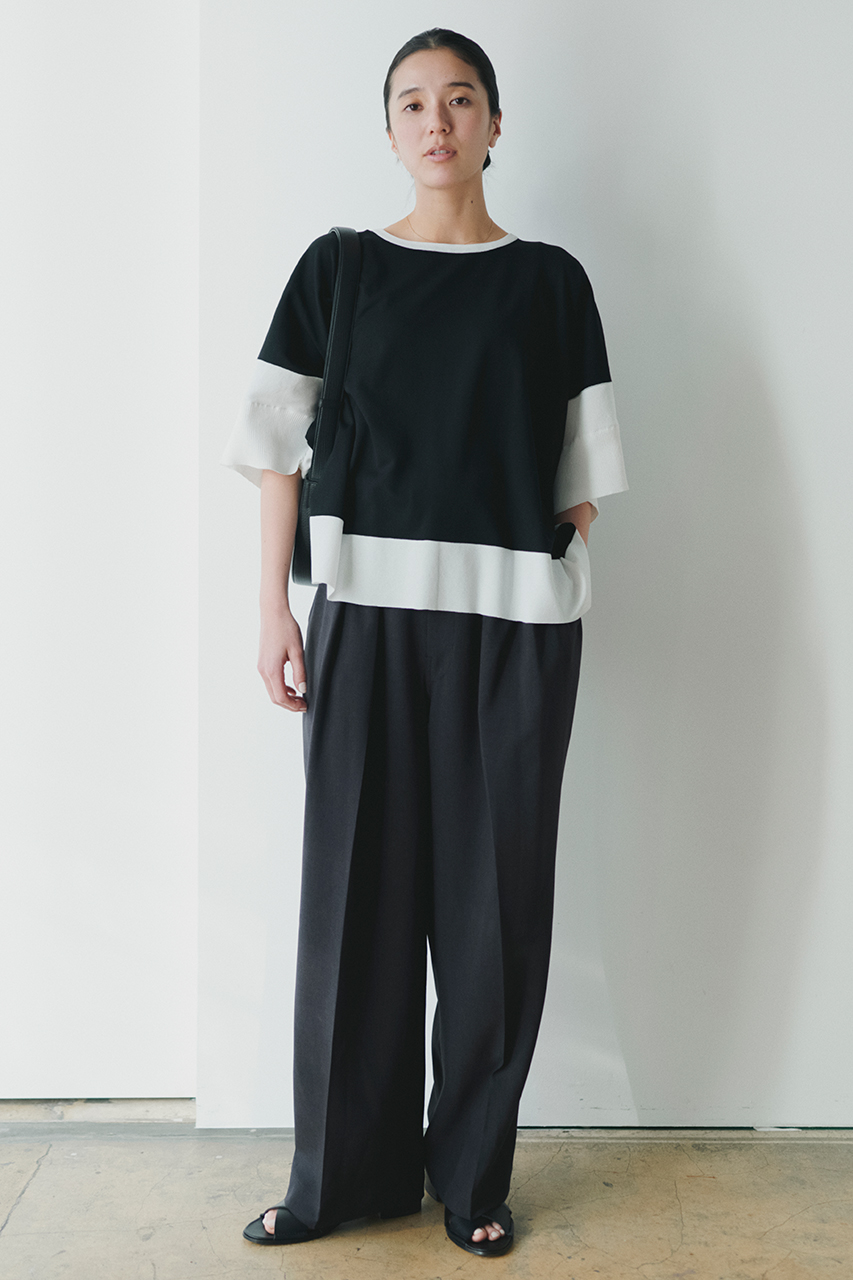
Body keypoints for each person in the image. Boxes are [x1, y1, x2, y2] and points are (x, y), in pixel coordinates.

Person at [221, 26, 628, 1258]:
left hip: (513, 631)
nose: (436, 121)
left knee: (495, 908)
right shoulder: (339, 269)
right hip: (367, 623)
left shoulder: (549, 283)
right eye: (411, 102)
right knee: (354, 902)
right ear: (388, 129)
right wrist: (272, 606)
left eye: (459, 99)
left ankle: (472, 1178)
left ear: (496, 124)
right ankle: (339, 1179)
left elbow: (583, 466)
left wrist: (556, 554)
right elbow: (276, 449)